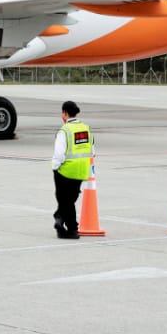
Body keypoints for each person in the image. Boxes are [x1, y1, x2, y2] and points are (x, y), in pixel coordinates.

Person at [51, 100, 93, 239]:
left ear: (65, 113)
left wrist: (55, 168)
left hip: (66, 171)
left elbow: (59, 154)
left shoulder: (65, 130)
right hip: (81, 170)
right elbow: (92, 151)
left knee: (64, 200)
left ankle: (68, 226)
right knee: (69, 200)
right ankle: (62, 222)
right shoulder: (86, 128)